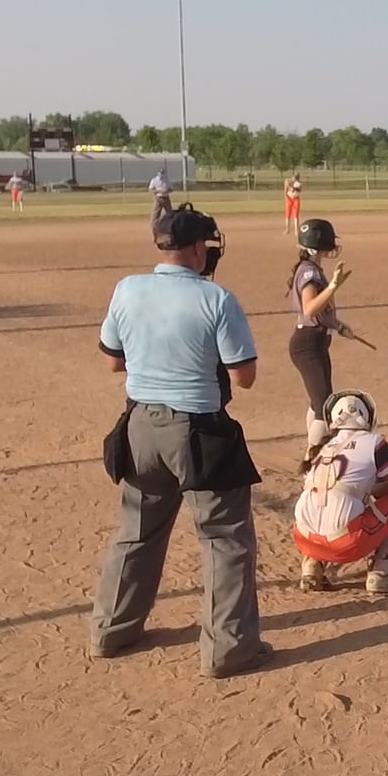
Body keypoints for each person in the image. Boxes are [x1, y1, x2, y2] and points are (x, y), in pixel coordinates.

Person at [92, 205, 269, 679]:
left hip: (139, 426)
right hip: (198, 430)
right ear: (195, 248)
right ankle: (228, 650)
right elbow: (244, 376)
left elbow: (112, 361)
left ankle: (111, 631)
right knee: (225, 538)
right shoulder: (216, 299)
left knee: (137, 532)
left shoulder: (127, 289)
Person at [291, 391, 388, 596]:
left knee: (320, 504)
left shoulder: (317, 448)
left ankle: (312, 567)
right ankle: (381, 573)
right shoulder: (374, 442)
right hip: (345, 544)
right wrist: (373, 491)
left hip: (305, 540)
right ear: (369, 417)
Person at [287, 218, 353, 459]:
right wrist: (333, 286)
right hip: (307, 345)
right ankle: (311, 461)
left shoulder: (310, 269)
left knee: (319, 401)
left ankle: (312, 450)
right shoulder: (310, 272)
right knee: (324, 406)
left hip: (315, 342)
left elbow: (321, 313)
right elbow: (310, 309)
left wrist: (338, 325)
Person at [148, 169, 172, 236]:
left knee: (170, 214)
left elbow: (171, 189)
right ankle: (154, 230)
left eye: (162, 173)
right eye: (160, 173)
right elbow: (151, 190)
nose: (161, 175)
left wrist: (167, 191)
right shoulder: (154, 180)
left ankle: (170, 228)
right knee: (155, 215)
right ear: (158, 173)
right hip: (158, 198)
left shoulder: (167, 180)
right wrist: (159, 191)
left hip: (166, 198)